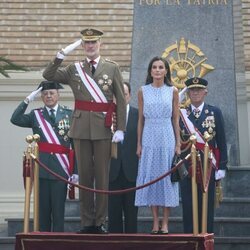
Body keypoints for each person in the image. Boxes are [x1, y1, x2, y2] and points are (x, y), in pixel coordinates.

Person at [43, 28, 126, 234]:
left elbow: (121, 100)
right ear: (83, 46)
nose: (90, 46)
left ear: (100, 44)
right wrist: (61, 55)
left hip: (103, 129)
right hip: (80, 128)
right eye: (86, 43)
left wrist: (121, 128)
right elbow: (49, 75)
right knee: (85, 177)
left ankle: (100, 221)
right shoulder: (74, 69)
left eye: (93, 43)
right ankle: (87, 222)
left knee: (102, 177)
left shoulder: (112, 67)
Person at [10, 80, 77, 232]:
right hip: (41, 170)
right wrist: (27, 100)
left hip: (61, 171)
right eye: (45, 94)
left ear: (58, 95)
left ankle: (58, 245)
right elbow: (15, 119)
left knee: (59, 215)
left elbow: (75, 146)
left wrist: (76, 171)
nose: (48, 96)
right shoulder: (36, 115)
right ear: (41, 97)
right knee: (43, 215)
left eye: (52, 93)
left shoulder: (69, 115)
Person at [135, 56, 181, 234]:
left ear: (166, 70)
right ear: (150, 71)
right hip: (149, 135)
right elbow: (140, 120)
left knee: (166, 178)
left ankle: (166, 222)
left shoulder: (173, 91)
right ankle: (155, 221)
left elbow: (175, 119)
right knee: (152, 177)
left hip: (166, 135)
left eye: (161, 67)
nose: (157, 70)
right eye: (154, 67)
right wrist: (138, 144)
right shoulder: (142, 91)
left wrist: (178, 143)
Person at [179, 77, 228, 233]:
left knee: (207, 207)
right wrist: (175, 101)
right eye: (192, 90)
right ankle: (189, 240)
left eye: (198, 90)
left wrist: (222, 166)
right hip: (188, 168)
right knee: (188, 206)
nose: (195, 93)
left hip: (208, 167)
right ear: (187, 93)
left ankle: (206, 241)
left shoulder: (214, 112)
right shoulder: (181, 114)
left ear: (205, 92)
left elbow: (221, 141)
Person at [108, 82, 139, 233]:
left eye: (124, 94)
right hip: (111, 171)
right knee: (113, 215)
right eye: (117, 95)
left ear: (129, 96)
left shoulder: (139, 115)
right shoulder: (107, 116)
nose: (121, 97)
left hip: (132, 171)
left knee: (132, 214)